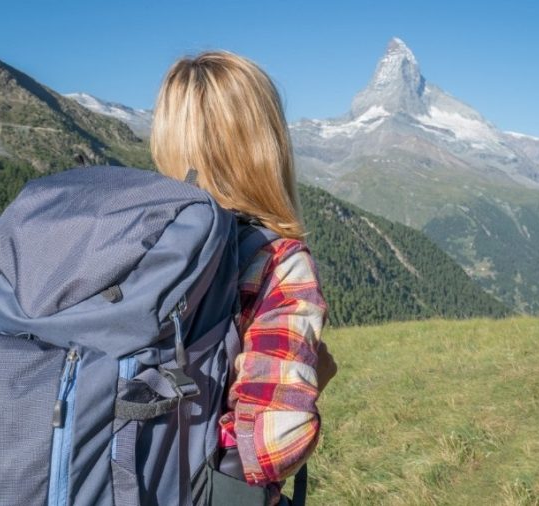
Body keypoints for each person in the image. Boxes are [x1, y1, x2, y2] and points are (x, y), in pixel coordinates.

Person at [150, 51, 337, 505]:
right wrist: (309, 382)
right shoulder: (273, 259)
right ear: (266, 144)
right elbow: (275, 442)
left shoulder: (128, 237)